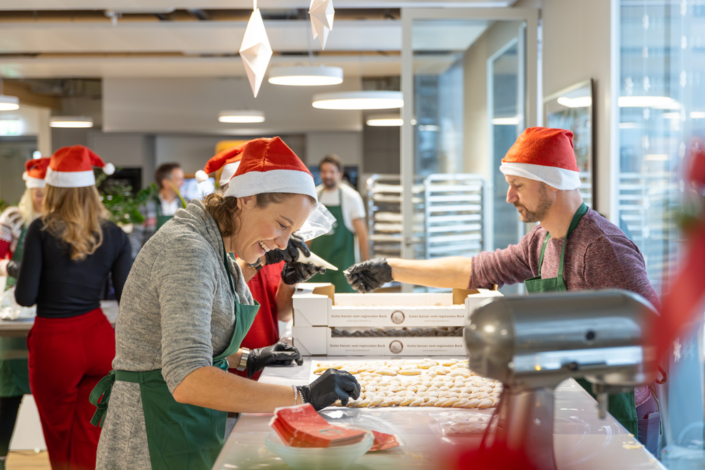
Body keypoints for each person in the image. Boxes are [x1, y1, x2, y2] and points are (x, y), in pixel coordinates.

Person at [344, 127, 661, 453]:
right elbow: (477, 269)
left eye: (518, 186)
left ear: (550, 183)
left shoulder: (601, 248)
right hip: (574, 405)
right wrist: (391, 269)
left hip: (619, 417)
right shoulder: (541, 241)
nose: (509, 197)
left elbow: (658, 332)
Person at [92, 137, 360, 470]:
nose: (284, 241)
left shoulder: (209, 243)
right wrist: (302, 396)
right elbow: (188, 376)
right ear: (246, 200)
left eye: (291, 233)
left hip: (180, 423)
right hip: (151, 434)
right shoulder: (187, 249)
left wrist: (246, 357)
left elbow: (198, 316)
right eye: (281, 225)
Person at [14, 146, 132, 470]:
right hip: (99, 340)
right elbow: (128, 298)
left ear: (52, 187)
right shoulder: (116, 235)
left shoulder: (40, 229)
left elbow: (24, 297)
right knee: (91, 432)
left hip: (55, 342)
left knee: (58, 432)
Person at [196, 145, 324, 380]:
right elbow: (217, 296)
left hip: (261, 365)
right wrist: (257, 263)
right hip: (218, 373)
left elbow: (282, 314)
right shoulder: (211, 248)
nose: (283, 241)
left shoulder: (270, 241)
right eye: (282, 224)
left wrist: (289, 280)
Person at [0, 157, 49, 470]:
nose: (41, 198)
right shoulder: (14, 219)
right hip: (11, 316)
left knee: (50, 395)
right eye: (37, 192)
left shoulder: (58, 224)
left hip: (47, 315)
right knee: (7, 394)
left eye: (47, 193)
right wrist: (13, 267)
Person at [309, 154, 369, 293]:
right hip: (317, 268)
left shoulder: (351, 197)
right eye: (324, 172)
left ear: (340, 174)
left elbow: (362, 234)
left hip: (343, 268)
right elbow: (308, 234)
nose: (327, 175)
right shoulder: (314, 196)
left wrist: (366, 266)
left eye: (332, 172)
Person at [128, 163, 185, 258]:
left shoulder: (186, 207)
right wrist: (133, 262)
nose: (183, 183)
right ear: (166, 183)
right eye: (179, 179)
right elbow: (135, 236)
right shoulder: (146, 207)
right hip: (151, 264)